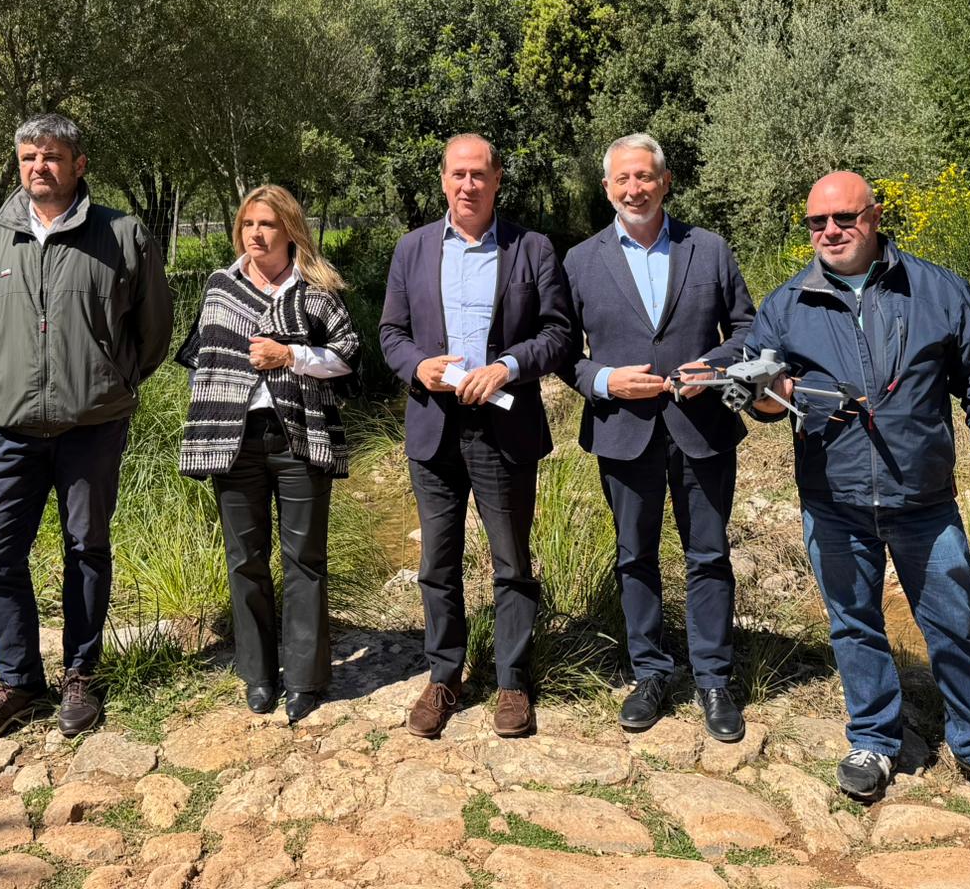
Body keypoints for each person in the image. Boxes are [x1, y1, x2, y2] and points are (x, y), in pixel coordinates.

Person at [747, 170, 970, 811]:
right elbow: (761, 392)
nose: (830, 231)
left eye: (844, 219)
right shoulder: (787, 302)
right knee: (854, 625)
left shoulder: (936, 288)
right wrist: (773, 396)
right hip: (834, 497)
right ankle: (874, 740)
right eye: (817, 223)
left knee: (953, 625)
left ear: (875, 217)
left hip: (924, 499)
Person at [0, 113, 173, 744]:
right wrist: (12, 378)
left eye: (50, 157)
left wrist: (110, 379)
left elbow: (152, 329)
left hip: (92, 425)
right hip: (9, 429)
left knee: (85, 550)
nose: (38, 168)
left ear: (79, 164)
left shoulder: (122, 235)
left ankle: (80, 675)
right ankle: (19, 682)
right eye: (28, 158)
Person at [561, 134, 756, 742]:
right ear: (607, 189)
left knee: (709, 555)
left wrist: (715, 367)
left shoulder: (710, 249)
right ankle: (649, 671)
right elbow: (562, 351)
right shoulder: (580, 261)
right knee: (634, 556)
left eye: (645, 177)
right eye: (622, 179)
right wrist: (604, 381)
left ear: (665, 181)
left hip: (702, 429)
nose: (634, 189)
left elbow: (749, 328)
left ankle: (714, 679)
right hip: (624, 434)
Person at [379, 134, 574, 740]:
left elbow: (560, 335)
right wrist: (418, 366)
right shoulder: (412, 250)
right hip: (434, 427)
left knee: (511, 562)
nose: (468, 185)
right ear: (443, 180)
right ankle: (445, 675)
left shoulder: (532, 248)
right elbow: (390, 333)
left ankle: (514, 680)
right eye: (458, 174)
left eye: (479, 176)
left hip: (504, 427)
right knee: (437, 561)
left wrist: (508, 365)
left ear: (496, 181)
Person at [175, 185, 360, 723]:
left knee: (305, 560)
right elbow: (204, 361)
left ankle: (305, 678)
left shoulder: (317, 288)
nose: (256, 233)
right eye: (249, 224)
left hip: (299, 437)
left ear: (290, 231)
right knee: (245, 560)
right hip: (234, 441)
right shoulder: (220, 288)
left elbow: (347, 357)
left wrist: (292, 355)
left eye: (268, 225)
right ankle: (258, 674)